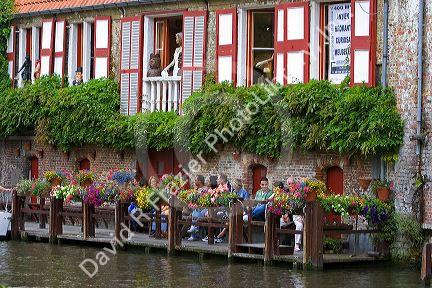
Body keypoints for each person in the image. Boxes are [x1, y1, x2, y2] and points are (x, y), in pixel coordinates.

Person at [187, 175, 208, 241]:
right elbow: (194, 200)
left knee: (197, 214)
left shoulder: (205, 189)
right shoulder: (197, 189)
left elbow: (203, 200)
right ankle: (193, 231)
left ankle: (193, 234)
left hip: (205, 208)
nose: (194, 181)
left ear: (200, 181)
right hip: (198, 209)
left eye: (196, 180)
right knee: (195, 212)